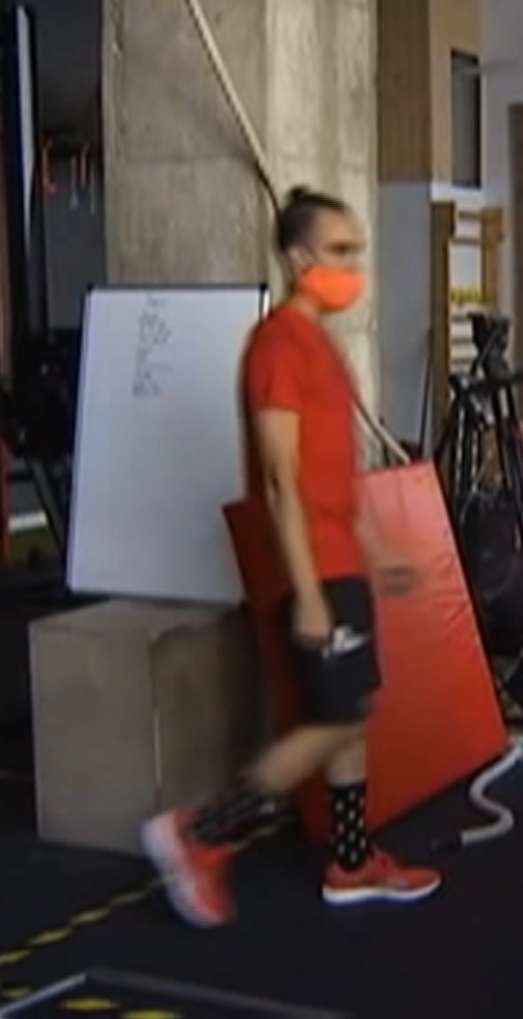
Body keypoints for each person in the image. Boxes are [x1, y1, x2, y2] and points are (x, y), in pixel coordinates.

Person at [142, 187, 442, 926]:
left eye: (355, 252)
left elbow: (332, 481)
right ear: (298, 257)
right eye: (339, 252)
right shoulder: (277, 345)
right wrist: (307, 593)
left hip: (340, 560)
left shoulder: (323, 348)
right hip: (309, 567)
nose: (352, 267)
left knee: (351, 713)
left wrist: (375, 552)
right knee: (332, 721)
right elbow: (280, 479)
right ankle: (201, 833)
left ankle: (350, 862)